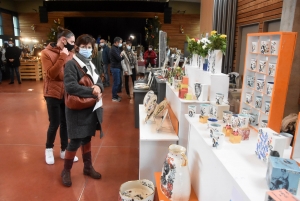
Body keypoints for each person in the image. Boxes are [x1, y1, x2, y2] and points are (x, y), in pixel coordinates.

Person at [62, 34, 104, 187]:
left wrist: (98, 87)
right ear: (77, 47)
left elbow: (99, 81)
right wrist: (92, 92)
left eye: (89, 47)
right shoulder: (71, 64)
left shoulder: (91, 64)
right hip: (77, 109)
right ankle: (66, 170)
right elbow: (70, 86)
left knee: (86, 138)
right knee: (75, 141)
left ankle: (87, 167)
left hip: (89, 107)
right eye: (84, 47)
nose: (86, 50)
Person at [41, 26, 78, 165]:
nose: (73, 44)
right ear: (63, 40)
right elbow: (51, 74)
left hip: (66, 92)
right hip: (52, 93)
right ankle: (49, 149)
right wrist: (62, 56)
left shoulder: (71, 54)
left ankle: (64, 150)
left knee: (65, 123)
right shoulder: (46, 53)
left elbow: (70, 74)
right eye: (72, 41)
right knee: (54, 123)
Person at [110, 37, 124, 102]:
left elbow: (121, 57)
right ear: (116, 42)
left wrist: (121, 56)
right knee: (116, 82)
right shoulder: (113, 49)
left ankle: (115, 95)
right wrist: (121, 56)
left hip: (118, 67)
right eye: (120, 42)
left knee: (118, 82)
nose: (121, 44)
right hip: (115, 68)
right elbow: (119, 58)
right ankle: (114, 97)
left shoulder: (117, 48)